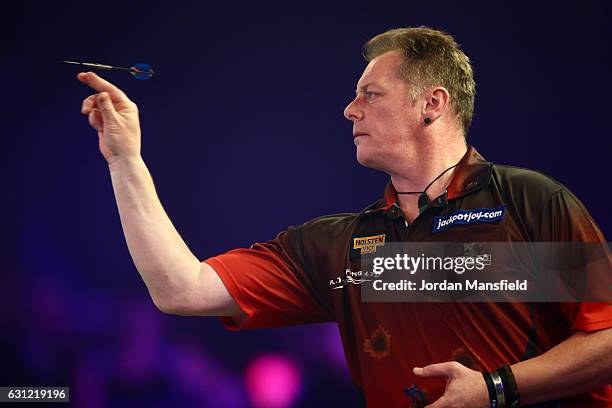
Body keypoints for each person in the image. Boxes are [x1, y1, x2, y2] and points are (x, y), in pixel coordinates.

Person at [77, 26, 612, 407]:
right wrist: (126, 160)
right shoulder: (339, 248)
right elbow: (181, 289)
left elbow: (606, 339)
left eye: (369, 94)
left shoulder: (530, 202)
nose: (349, 110)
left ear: (432, 104)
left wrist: (497, 389)